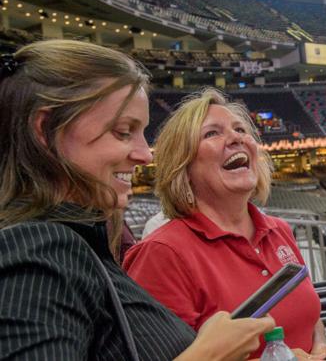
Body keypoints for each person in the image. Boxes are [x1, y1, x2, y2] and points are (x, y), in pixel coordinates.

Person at [0, 40, 274, 360]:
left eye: (142, 132)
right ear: (46, 130)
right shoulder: (36, 246)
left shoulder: (80, 243)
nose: (145, 154)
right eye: (122, 131)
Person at [123, 88, 326, 359]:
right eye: (212, 133)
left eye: (241, 130)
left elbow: (310, 317)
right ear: (182, 166)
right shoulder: (161, 254)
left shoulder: (279, 230)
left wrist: (322, 351)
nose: (236, 138)